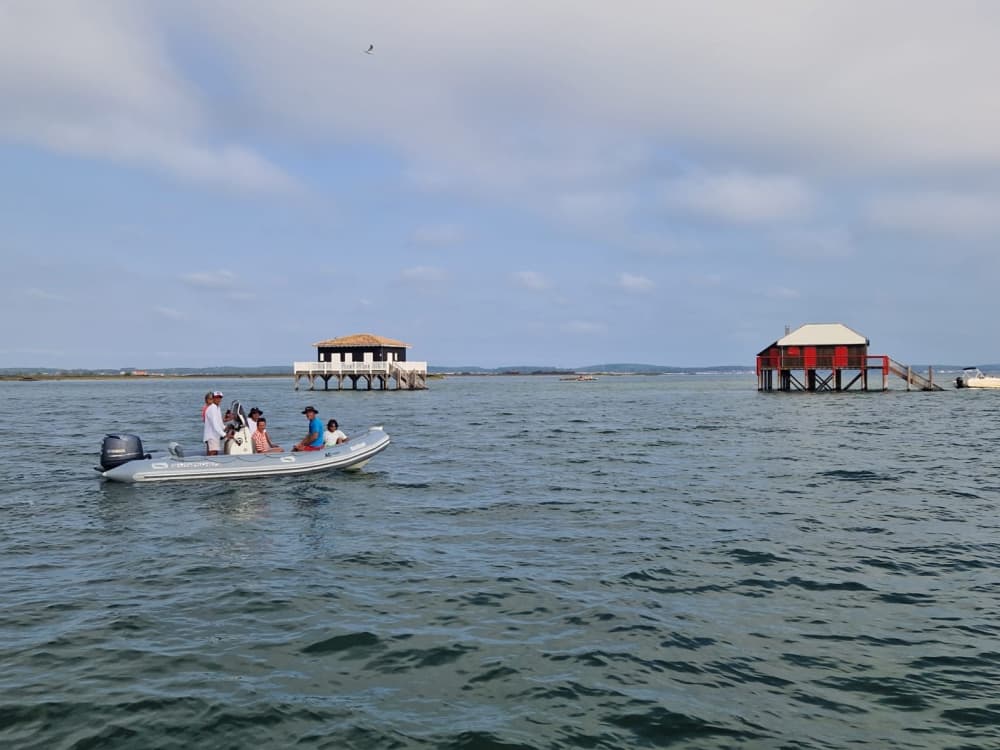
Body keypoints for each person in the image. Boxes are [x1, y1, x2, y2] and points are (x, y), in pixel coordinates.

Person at [203, 391, 225, 455]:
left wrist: (226, 428)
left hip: (215, 435)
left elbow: (220, 423)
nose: (218, 399)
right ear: (213, 398)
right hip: (212, 436)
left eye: (220, 397)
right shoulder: (212, 408)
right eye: (216, 397)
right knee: (212, 454)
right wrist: (224, 435)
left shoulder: (217, 407)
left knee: (215, 453)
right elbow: (215, 424)